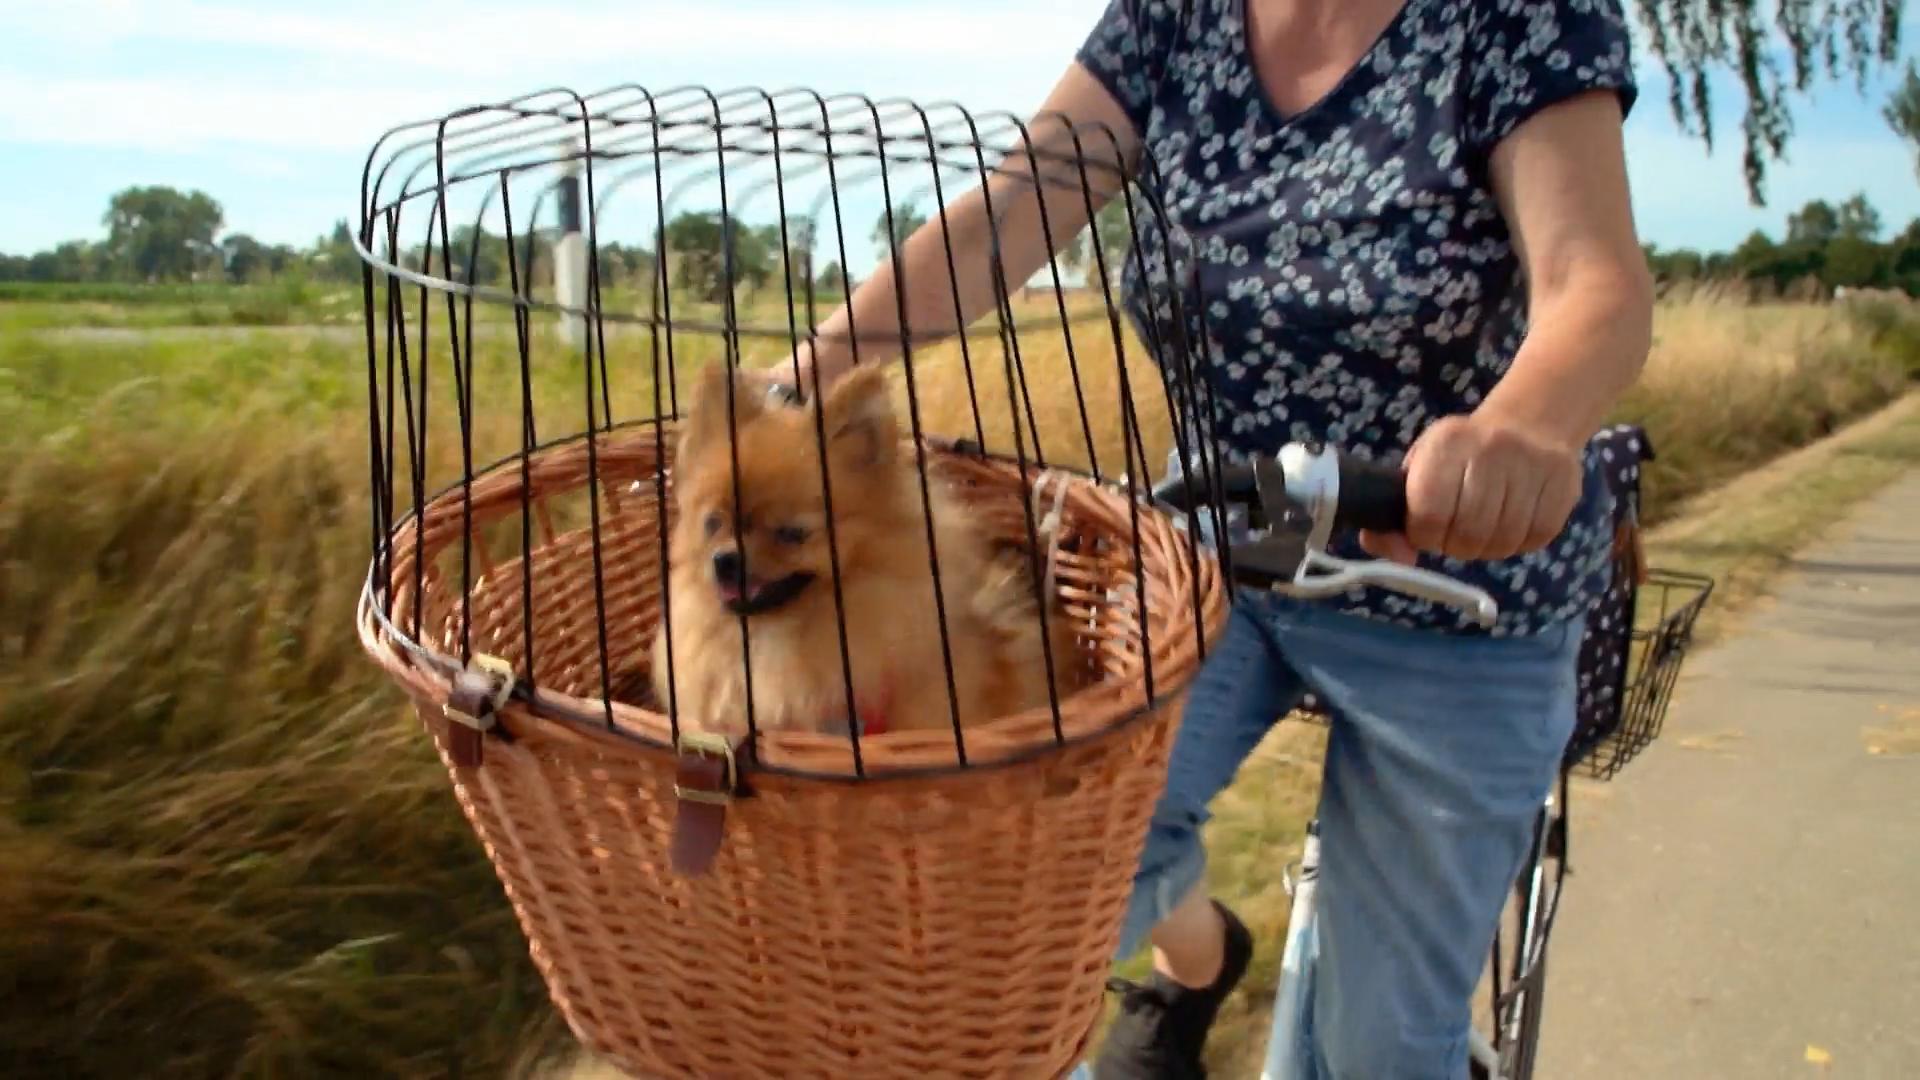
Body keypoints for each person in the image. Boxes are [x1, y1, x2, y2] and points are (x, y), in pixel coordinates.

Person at [767, 0, 1652, 1075]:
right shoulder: (1173, 16)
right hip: (1219, 558)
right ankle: (1198, 962)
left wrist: (1521, 429)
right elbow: (999, 222)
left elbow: (1593, 284)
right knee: (1034, 843)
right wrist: (790, 395)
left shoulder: (1515, 17)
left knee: (1378, 1046)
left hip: (1455, 590)